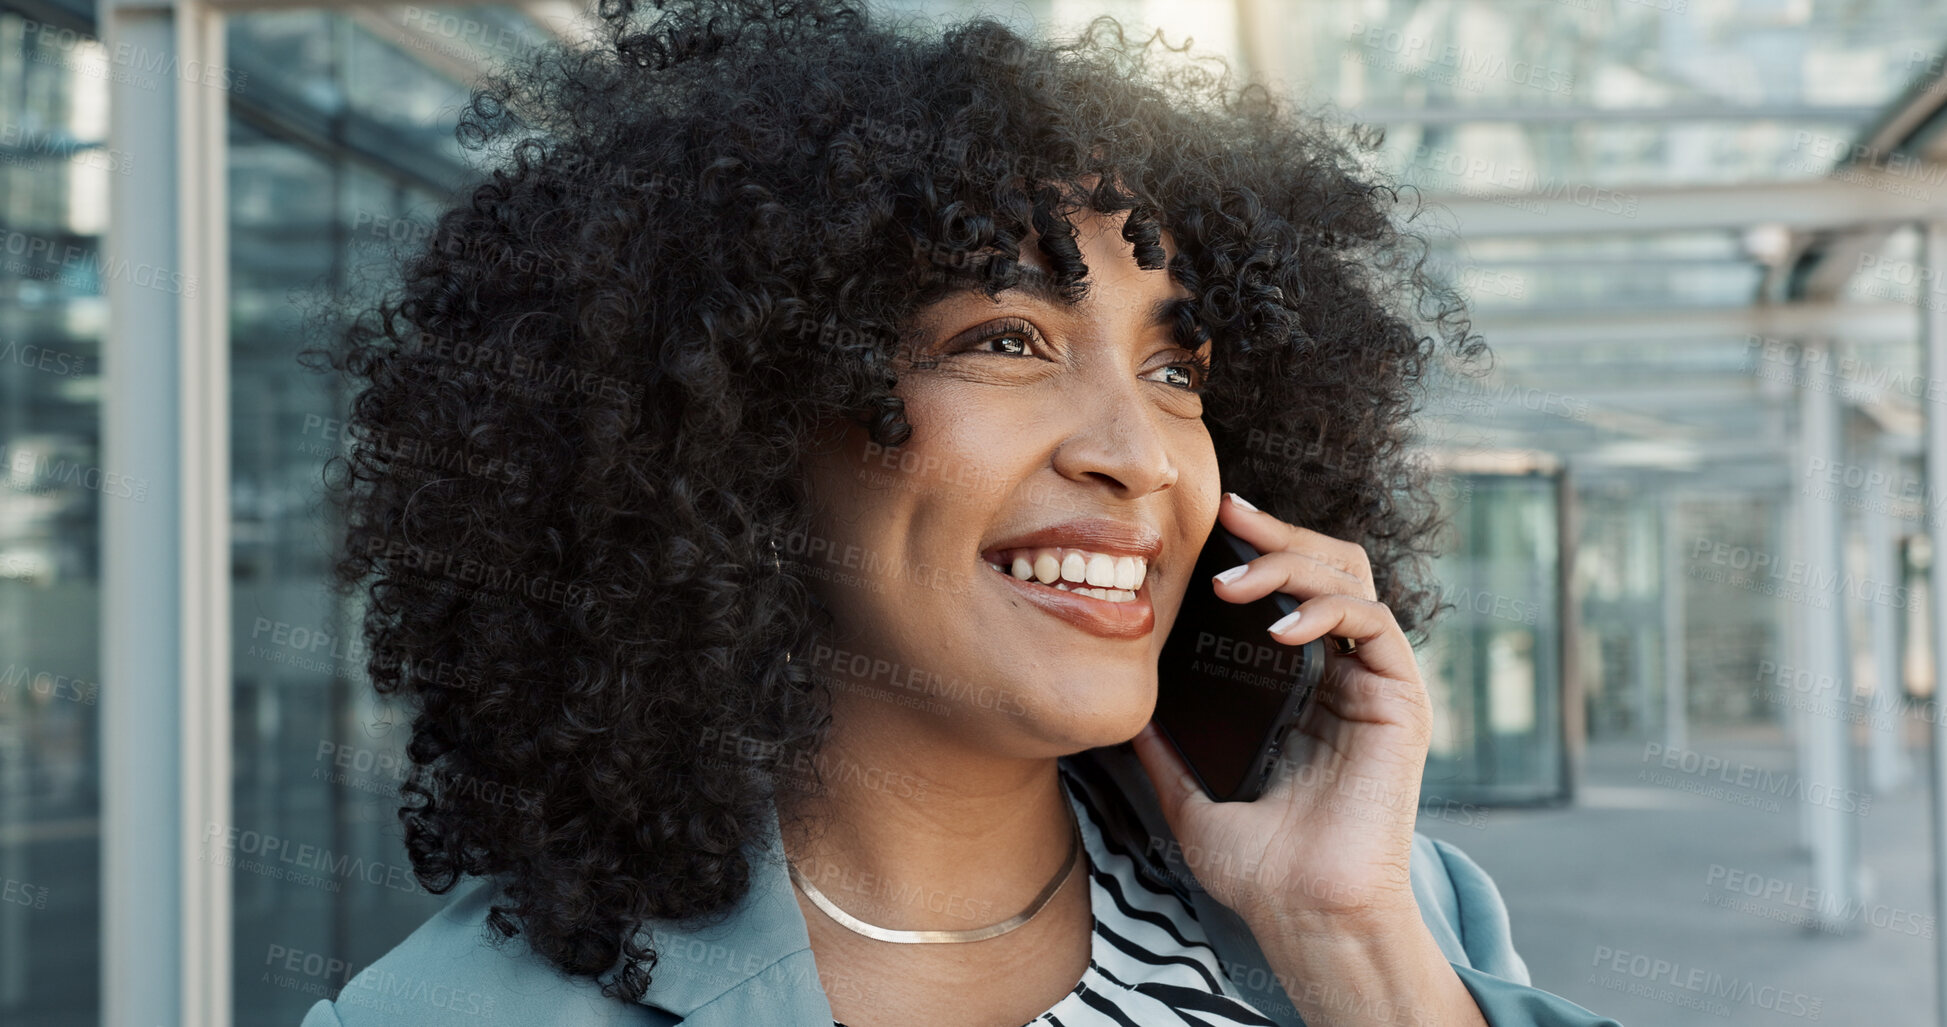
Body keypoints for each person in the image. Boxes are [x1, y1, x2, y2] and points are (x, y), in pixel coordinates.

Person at [299, 1, 1625, 1024]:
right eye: (1004, 339)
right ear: (745, 421)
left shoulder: (1395, 913)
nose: (1141, 456)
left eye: (1175, 371)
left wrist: (1349, 946)